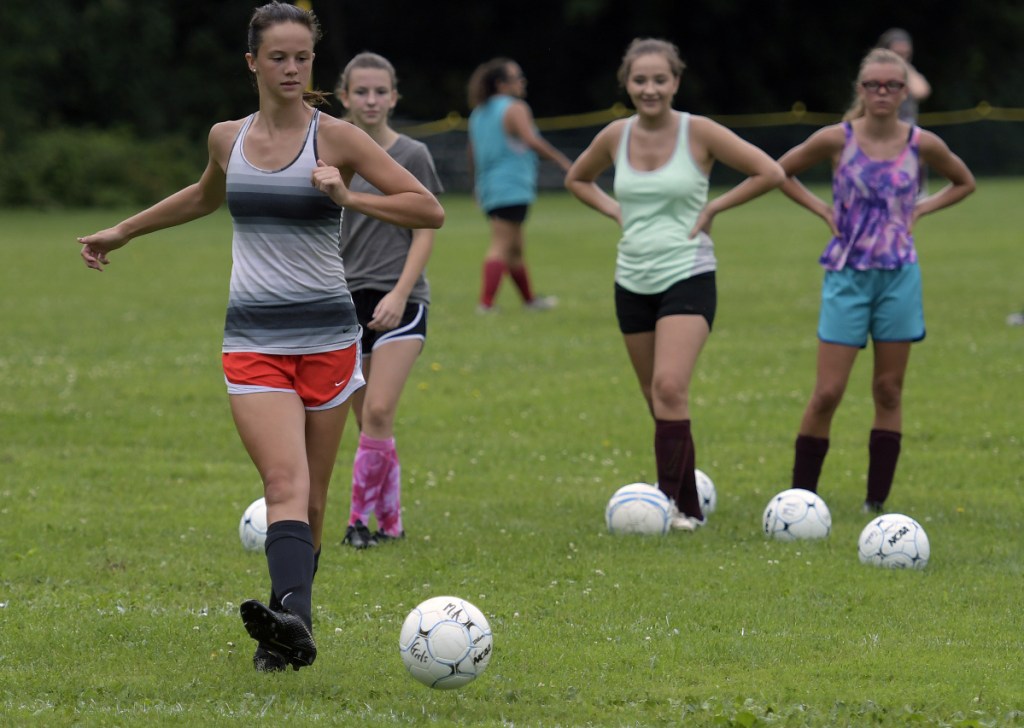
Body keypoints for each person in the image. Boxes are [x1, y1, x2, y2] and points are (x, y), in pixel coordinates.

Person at [76, 1, 443, 672]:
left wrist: (349, 198)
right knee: (284, 480)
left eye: (303, 57)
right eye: (278, 57)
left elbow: (429, 208)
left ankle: (289, 625)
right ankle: (292, 624)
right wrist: (122, 230)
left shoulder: (337, 139)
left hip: (330, 338)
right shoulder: (228, 137)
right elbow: (202, 196)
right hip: (253, 340)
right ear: (252, 62)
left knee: (316, 495)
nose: (292, 69)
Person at [564, 38, 785, 530]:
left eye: (659, 79)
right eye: (640, 80)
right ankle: (689, 504)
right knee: (658, 399)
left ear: (675, 82)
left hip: (688, 272)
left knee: (669, 387)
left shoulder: (699, 131)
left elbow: (769, 172)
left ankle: (671, 507)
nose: (650, 89)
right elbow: (578, 179)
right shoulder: (614, 136)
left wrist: (713, 208)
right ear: (627, 83)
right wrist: (614, 209)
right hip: (631, 278)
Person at [778, 47, 974, 513]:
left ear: (905, 92)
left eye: (892, 85)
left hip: (898, 275)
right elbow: (778, 172)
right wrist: (823, 209)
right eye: (873, 85)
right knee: (827, 393)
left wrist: (922, 208)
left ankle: (875, 504)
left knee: (888, 390)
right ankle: (799, 501)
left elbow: (963, 181)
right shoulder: (835, 139)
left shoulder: (921, 144)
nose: (882, 93)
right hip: (847, 275)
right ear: (860, 91)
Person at [333, 52, 443, 549]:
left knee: (378, 411)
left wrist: (400, 292)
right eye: (362, 92)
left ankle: (358, 524)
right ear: (344, 97)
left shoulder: (413, 155)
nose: (371, 100)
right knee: (368, 422)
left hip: (401, 300)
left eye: (381, 92)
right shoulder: (327, 150)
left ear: (394, 97)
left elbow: (426, 228)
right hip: (343, 302)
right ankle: (391, 523)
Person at [467, 57, 572, 313]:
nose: (523, 82)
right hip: (511, 186)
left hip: (490, 187)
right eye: (517, 77)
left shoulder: (479, 113)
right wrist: (562, 160)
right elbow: (531, 140)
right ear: (502, 84)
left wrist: (476, 185)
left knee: (515, 248)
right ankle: (486, 304)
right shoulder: (514, 108)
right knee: (501, 245)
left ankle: (529, 300)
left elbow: (473, 153)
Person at [875, 28, 931, 124]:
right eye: (898, 53)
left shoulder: (908, 72)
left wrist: (905, 66)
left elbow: (921, 91)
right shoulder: (876, 71)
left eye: (906, 54)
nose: (902, 58)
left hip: (906, 127)